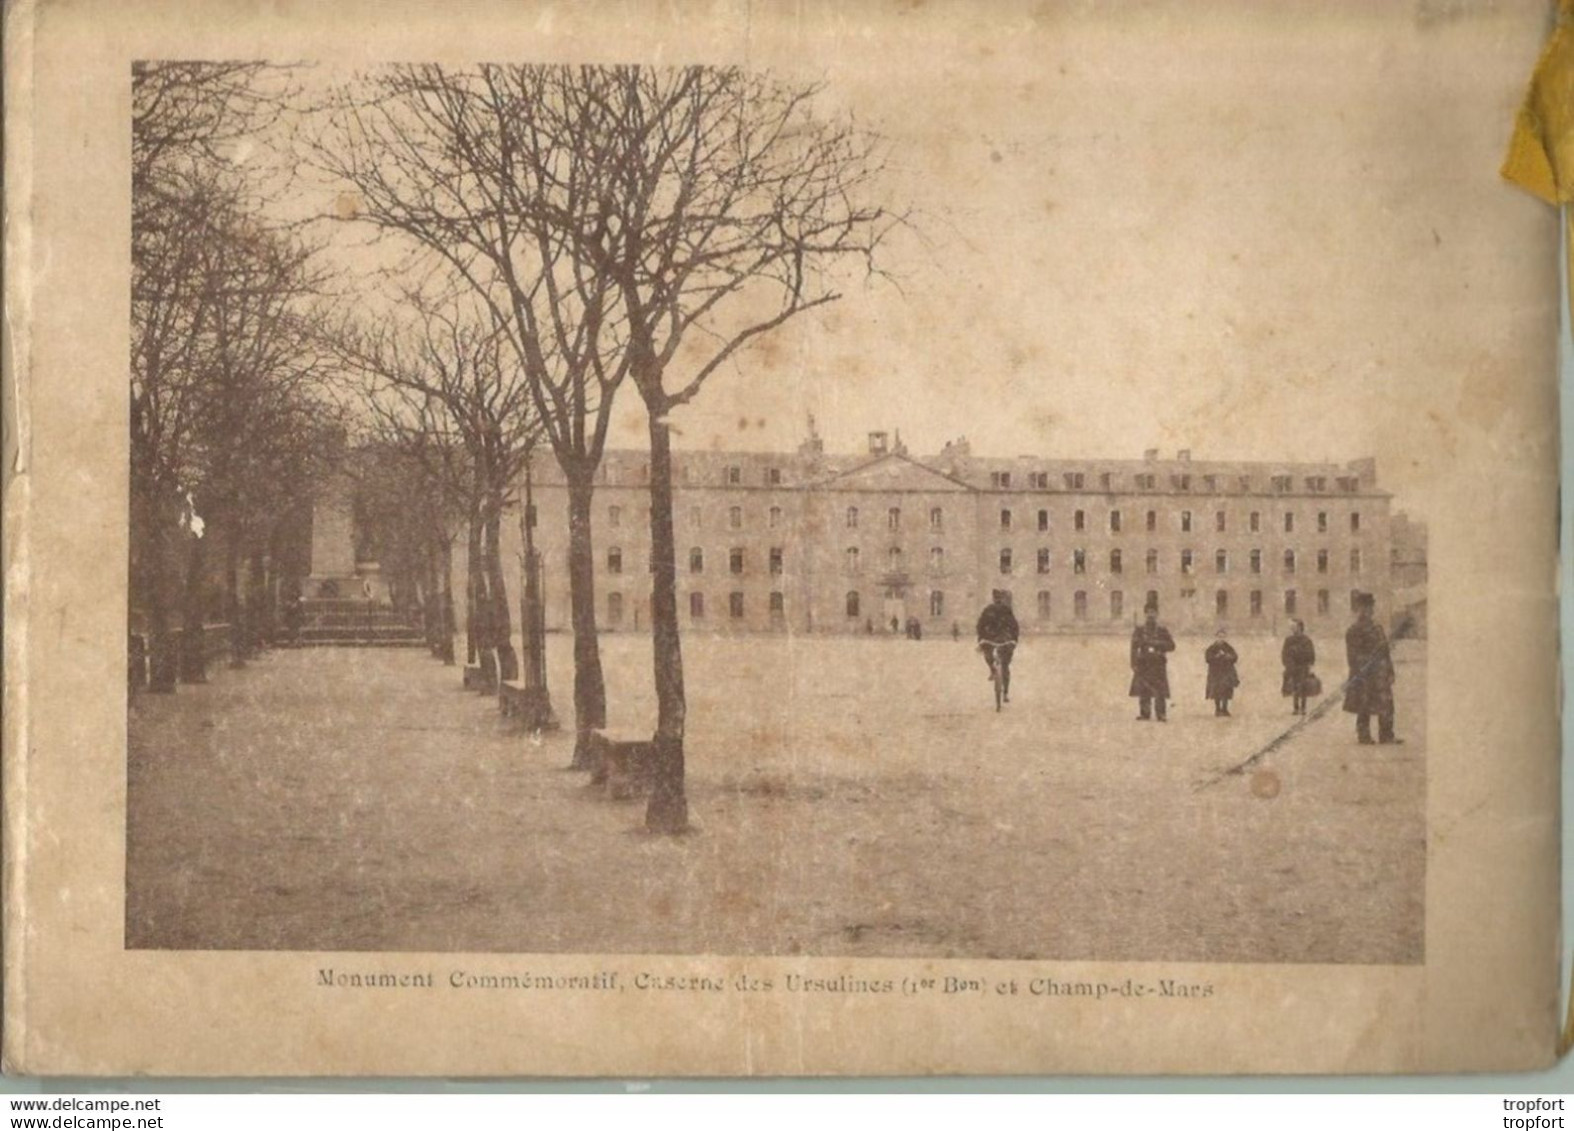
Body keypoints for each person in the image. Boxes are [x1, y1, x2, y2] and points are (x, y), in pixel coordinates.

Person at [1344, 591, 1399, 744]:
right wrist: (1364, 668)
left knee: (1386, 704)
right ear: (1358, 609)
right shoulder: (1354, 630)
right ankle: (1364, 736)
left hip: (1381, 674)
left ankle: (1386, 735)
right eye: (1365, 608)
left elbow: (1385, 652)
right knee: (1364, 705)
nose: (1368, 611)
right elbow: (1352, 656)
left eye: (1370, 608)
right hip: (1364, 675)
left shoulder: (1377, 628)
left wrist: (1390, 671)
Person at [1129, 603, 1176, 721]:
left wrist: (1158, 644)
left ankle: (1161, 714)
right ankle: (1145, 713)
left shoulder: (1162, 630)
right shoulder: (1139, 630)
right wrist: (1133, 663)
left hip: (1158, 663)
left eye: (1153, 612)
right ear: (1145, 614)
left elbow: (1171, 645)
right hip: (1143, 663)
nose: (1151, 615)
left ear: (1157, 614)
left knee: (1160, 690)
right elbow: (1134, 647)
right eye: (1148, 612)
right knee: (1144, 689)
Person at [975, 589, 1020, 702]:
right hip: (1004, 639)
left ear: (994, 598)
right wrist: (1014, 639)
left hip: (991, 638)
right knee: (1005, 667)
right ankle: (1005, 694)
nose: (998, 600)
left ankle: (992, 670)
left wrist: (980, 639)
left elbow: (980, 625)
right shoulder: (1006, 609)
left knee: (989, 656)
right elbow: (1014, 626)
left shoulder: (988, 610)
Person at [1281, 619, 1317, 715]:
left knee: (1303, 687)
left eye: (1295, 626)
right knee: (1295, 687)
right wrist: (1287, 664)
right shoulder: (1289, 640)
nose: (1293, 628)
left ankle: (1303, 707)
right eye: (1292, 627)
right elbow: (1284, 654)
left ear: (1300, 628)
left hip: (1303, 666)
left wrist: (1309, 664)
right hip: (1293, 666)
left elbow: (1311, 654)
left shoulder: (1306, 640)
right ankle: (1296, 707)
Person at [1204, 629, 1239, 717]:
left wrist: (1227, 656)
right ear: (1216, 637)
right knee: (1217, 691)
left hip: (1227, 672)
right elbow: (1208, 658)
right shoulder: (1212, 648)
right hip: (1216, 673)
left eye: (1223, 637)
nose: (1221, 639)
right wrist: (1217, 656)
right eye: (1219, 637)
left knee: (1226, 690)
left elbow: (1235, 657)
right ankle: (1217, 709)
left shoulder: (1228, 647)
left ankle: (1225, 709)